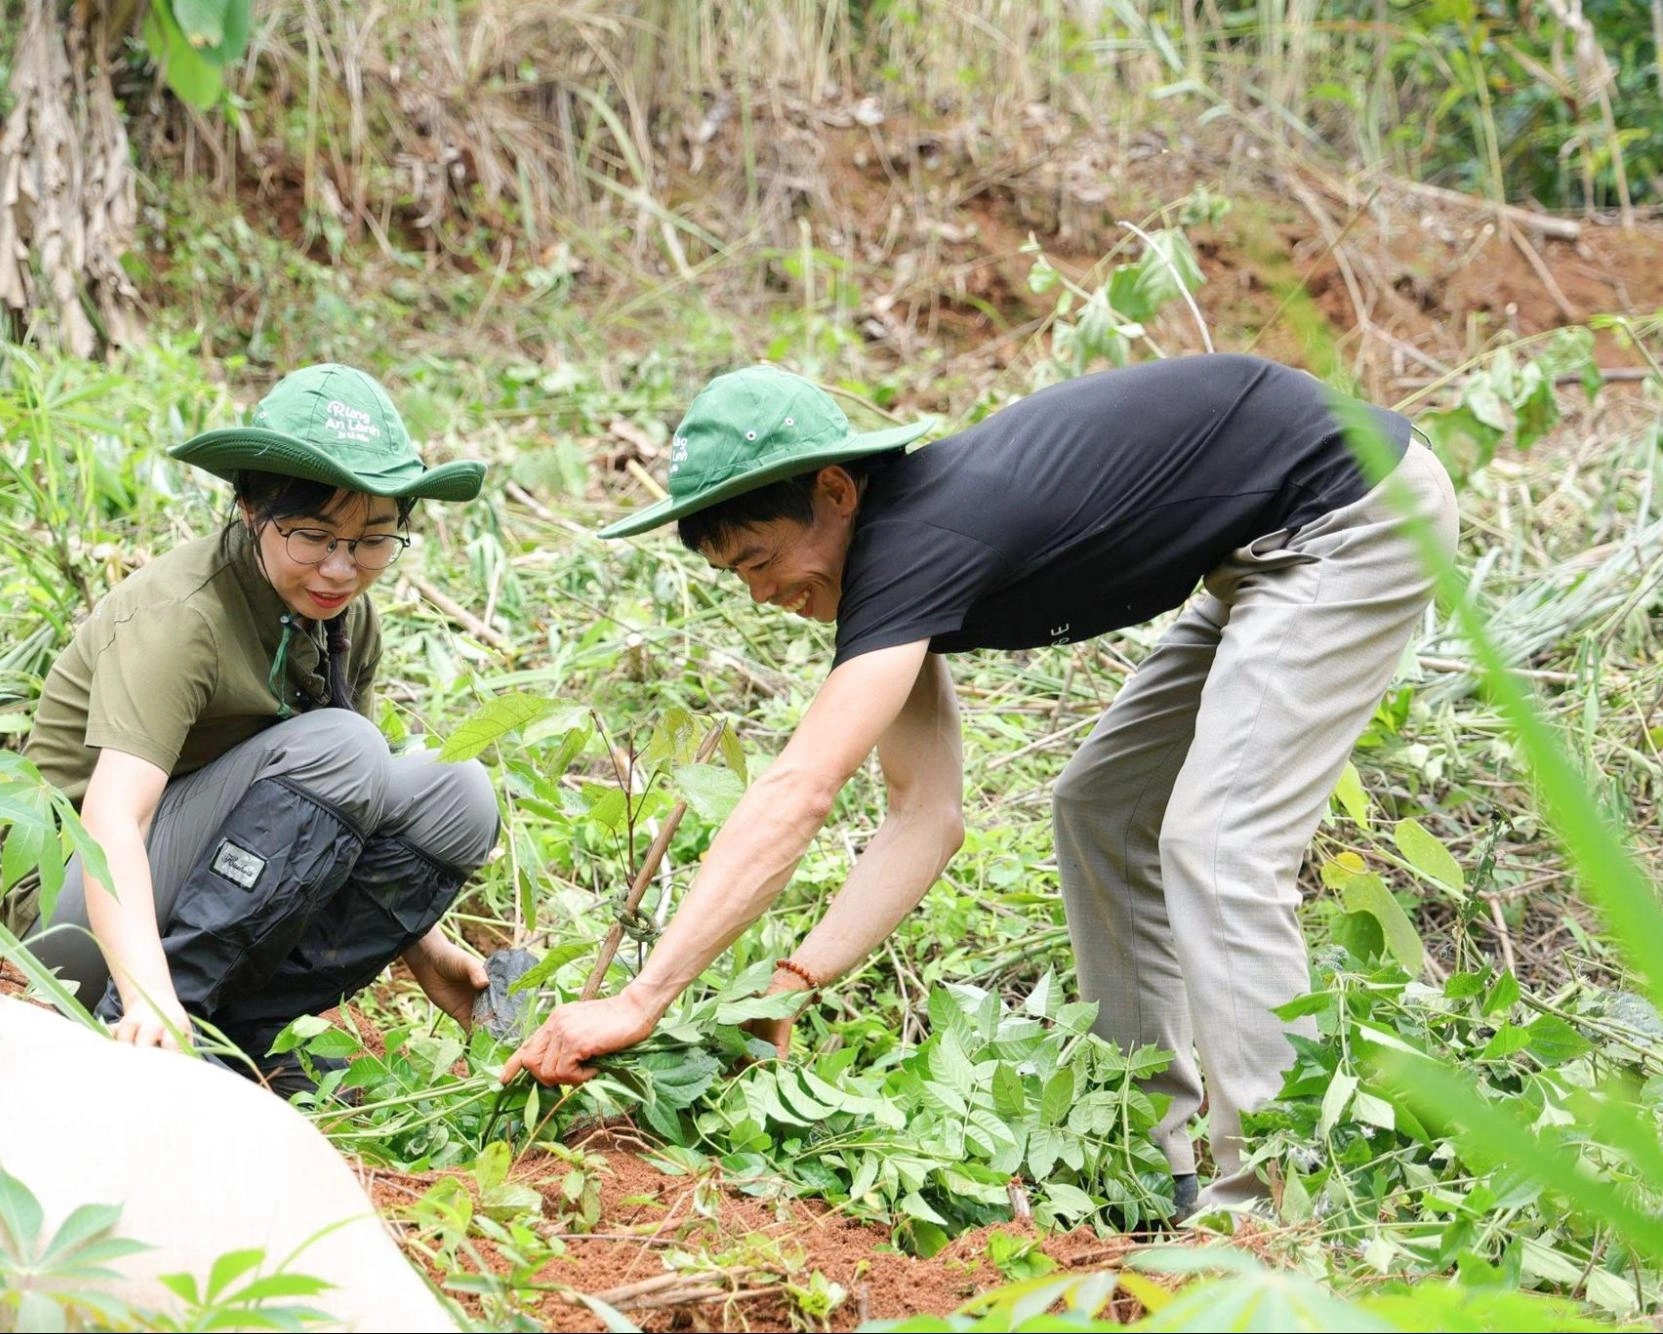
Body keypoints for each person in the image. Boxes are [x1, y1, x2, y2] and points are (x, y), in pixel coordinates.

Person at [505, 353, 1458, 1213]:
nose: (762, 592)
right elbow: (925, 815)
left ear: (836, 491)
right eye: (735, 575)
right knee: (1102, 809)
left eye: (761, 558)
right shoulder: (893, 566)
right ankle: (1142, 1151)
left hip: (1348, 512)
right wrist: (791, 984)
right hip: (1256, 549)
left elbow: (800, 789)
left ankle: (1278, 1202)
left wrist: (643, 999)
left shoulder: (922, 535)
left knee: (1216, 843)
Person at [7, 363, 500, 1095]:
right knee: (346, 747)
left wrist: (425, 952)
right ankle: (151, 1028)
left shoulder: (341, 618)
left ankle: (226, 1040)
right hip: (74, 914)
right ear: (248, 510)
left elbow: (339, 821)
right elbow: (111, 815)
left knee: (457, 793)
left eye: (372, 541)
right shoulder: (184, 615)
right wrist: (146, 992)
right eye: (312, 535)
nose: (340, 568)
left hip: (189, 879)